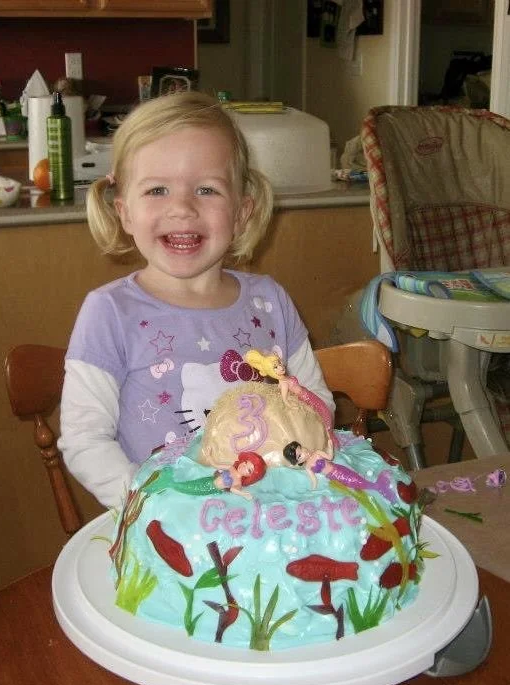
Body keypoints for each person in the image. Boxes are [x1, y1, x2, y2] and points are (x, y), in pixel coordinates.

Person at [58, 91, 335, 509]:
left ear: (242, 212)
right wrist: (152, 501)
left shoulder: (271, 300)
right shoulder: (109, 313)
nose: (183, 208)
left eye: (206, 189)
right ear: (125, 213)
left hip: (275, 515)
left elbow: (317, 403)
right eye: (157, 190)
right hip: (167, 527)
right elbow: (84, 438)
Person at [244, 349, 335, 443]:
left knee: (325, 413)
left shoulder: (285, 379)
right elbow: (285, 398)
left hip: (308, 395)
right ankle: (329, 439)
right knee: (323, 415)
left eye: (279, 363)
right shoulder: (283, 384)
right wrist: (291, 405)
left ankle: (330, 437)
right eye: (275, 367)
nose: (280, 367)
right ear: (269, 371)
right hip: (305, 398)